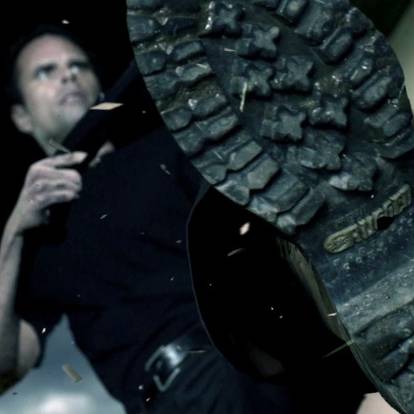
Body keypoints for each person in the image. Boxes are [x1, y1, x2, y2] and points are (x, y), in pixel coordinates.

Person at [0, 24, 395, 414]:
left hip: (265, 338)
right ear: (21, 116)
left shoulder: (162, 150)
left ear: (101, 90)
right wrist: (14, 231)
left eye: (78, 65)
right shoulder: (39, 235)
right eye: (45, 72)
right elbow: (5, 365)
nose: (68, 75)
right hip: (182, 391)